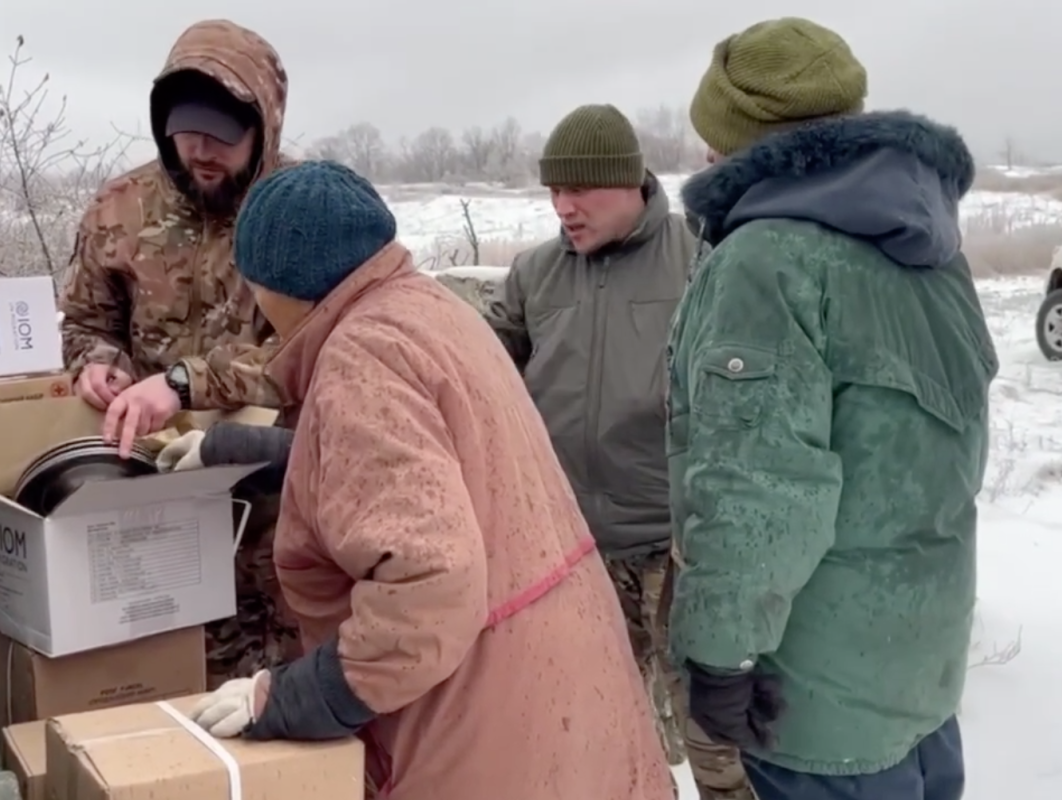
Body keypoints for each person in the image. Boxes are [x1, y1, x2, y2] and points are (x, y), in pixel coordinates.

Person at [161, 160, 673, 800]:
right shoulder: (427, 310)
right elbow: (412, 466)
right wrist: (239, 448)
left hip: (483, 723)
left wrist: (295, 696)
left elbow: (429, 587)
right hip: (561, 678)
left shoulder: (361, 357)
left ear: (278, 282)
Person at [666, 17, 997, 800]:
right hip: (919, 670)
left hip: (814, 702)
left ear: (736, 140)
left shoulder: (766, 259)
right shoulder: (927, 246)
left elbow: (759, 487)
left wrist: (719, 655)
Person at [485, 104, 753, 799]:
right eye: (552, 191)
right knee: (600, 739)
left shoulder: (702, 256)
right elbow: (480, 374)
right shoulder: (535, 275)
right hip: (573, 556)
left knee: (719, 746)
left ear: (630, 181)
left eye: (579, 190)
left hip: (677, 551)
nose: (562, 208)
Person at [58, 19, 300, 687]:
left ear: (264, 127)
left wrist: (185, 382)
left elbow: (319, 347)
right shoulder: (119, 210)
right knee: (173, 685)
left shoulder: (301, 212)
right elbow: (84, 320)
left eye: (222, 138)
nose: (201, 152)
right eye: (186, 133)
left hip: (283, 506)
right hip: (155, 496)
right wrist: (98, 362)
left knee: (293, 695)